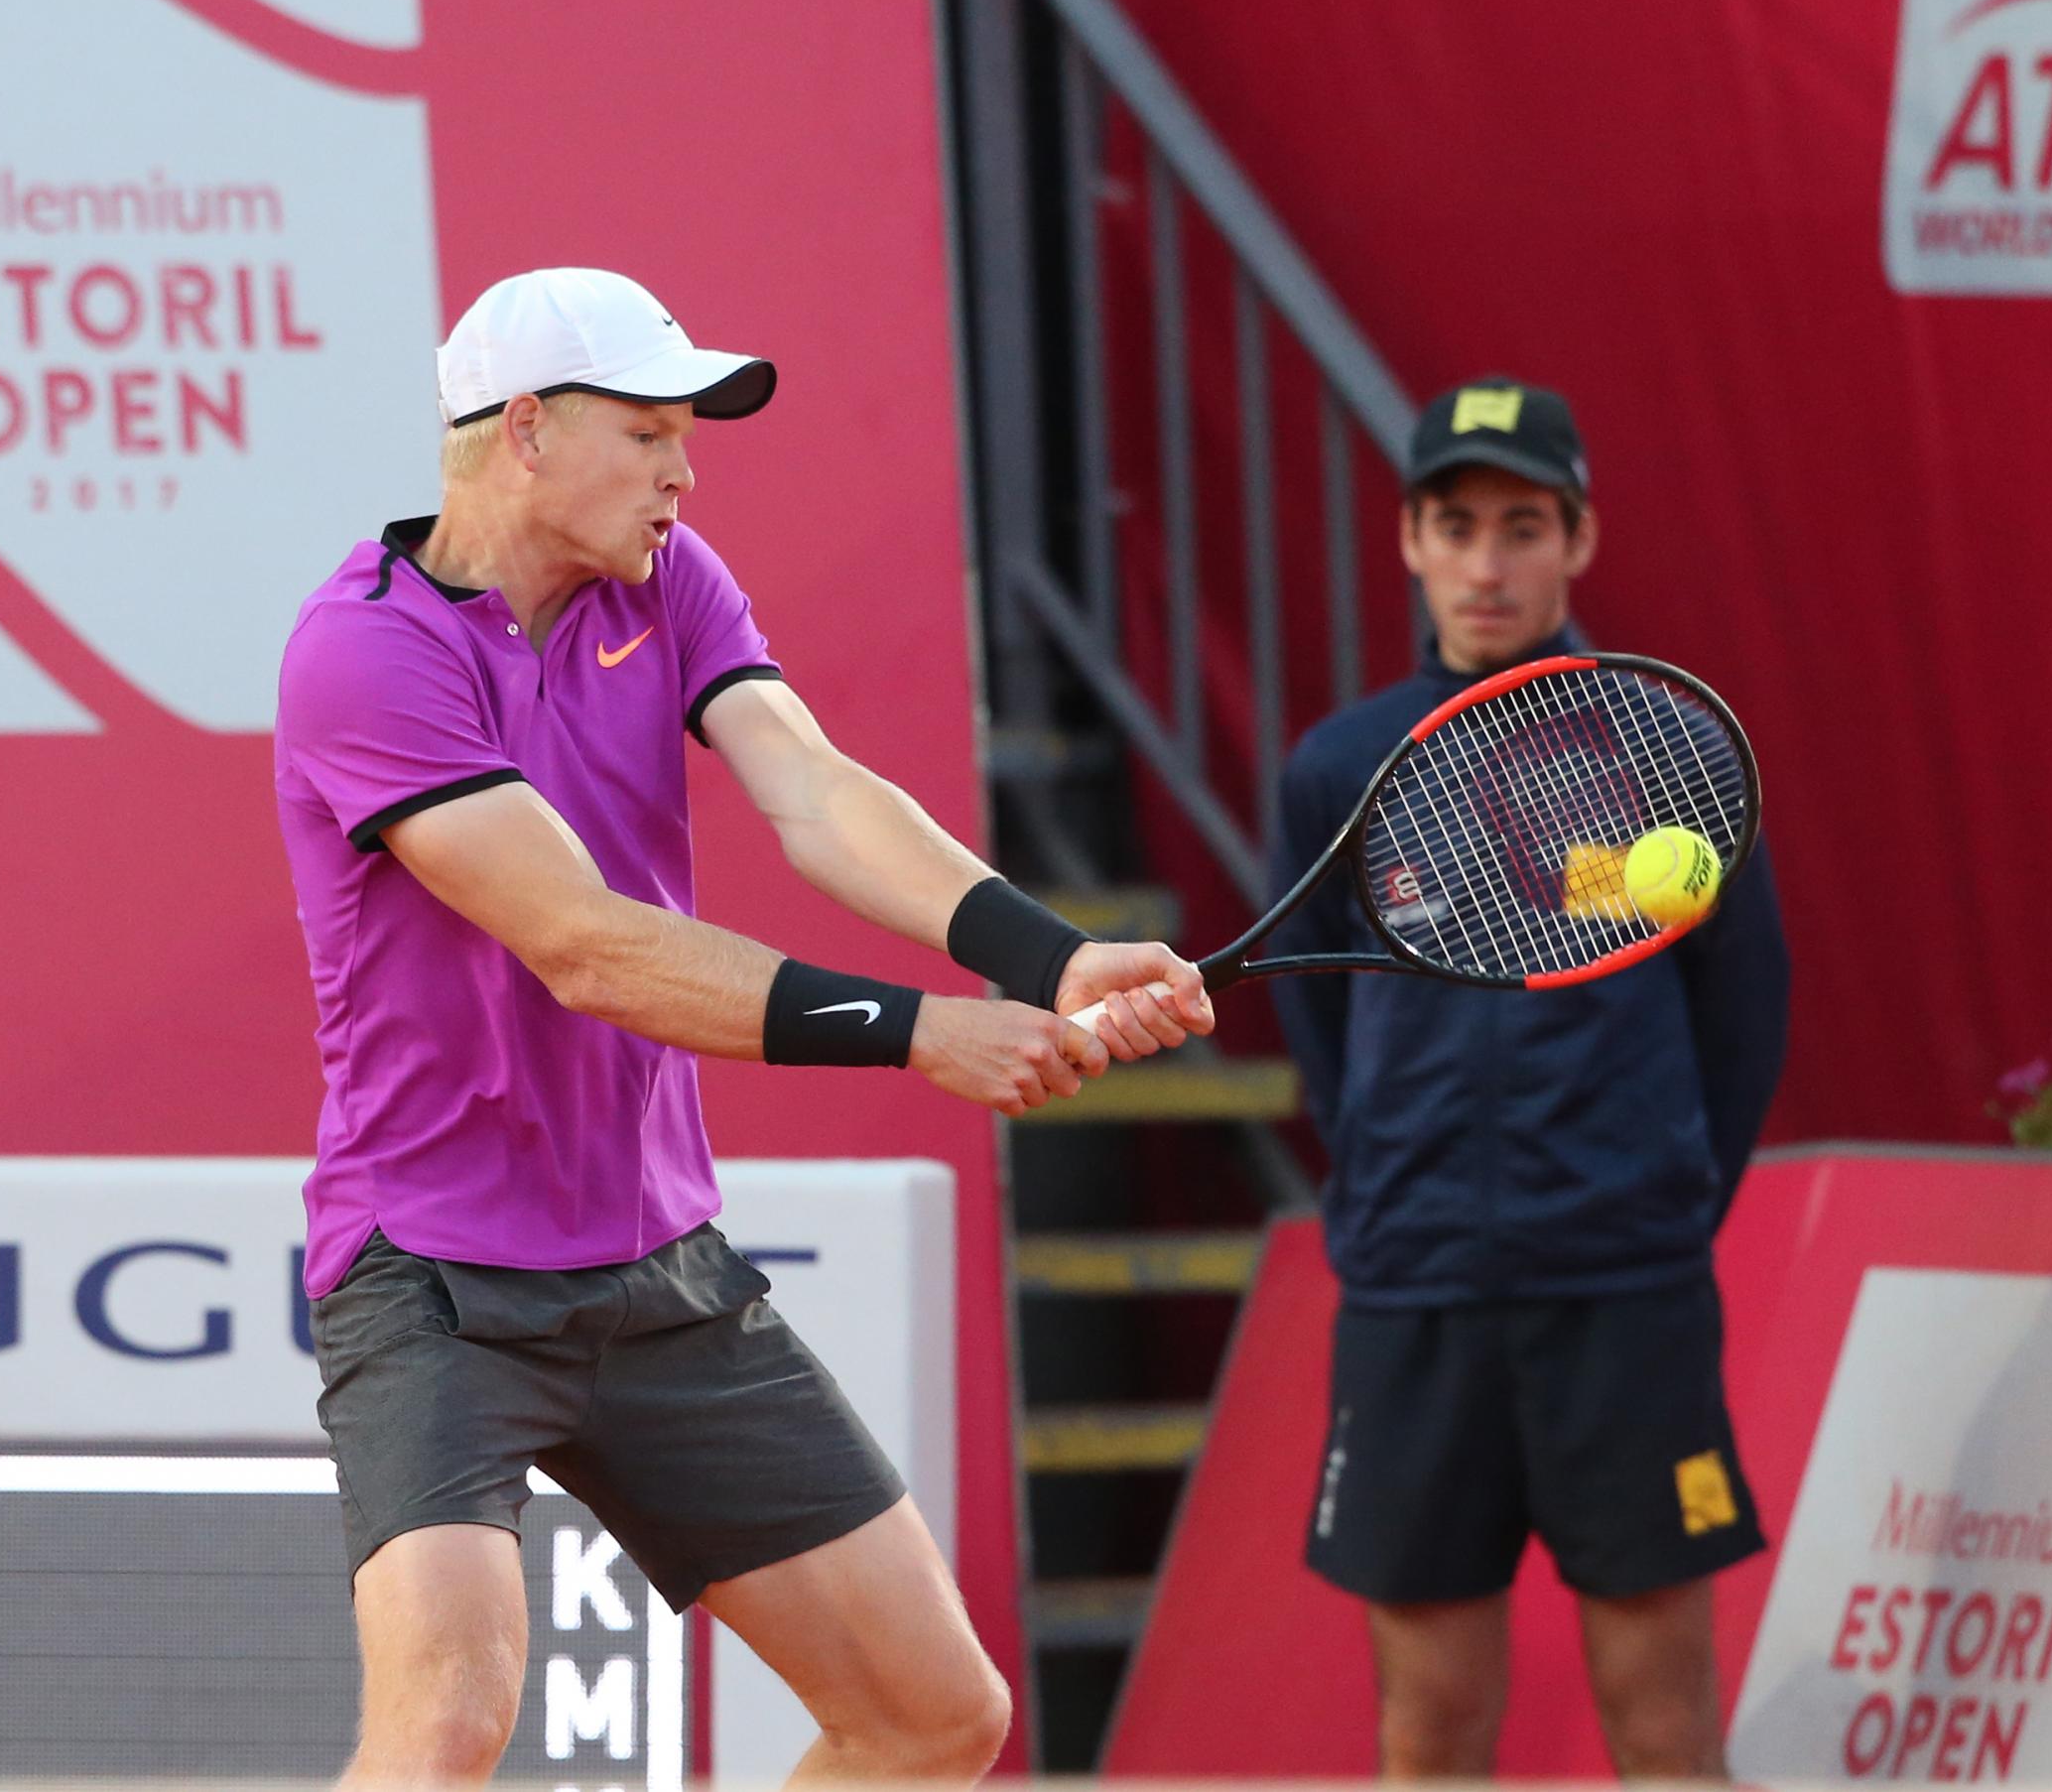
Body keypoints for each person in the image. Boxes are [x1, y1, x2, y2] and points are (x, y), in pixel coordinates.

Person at [272, 266, 1218, 1787]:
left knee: (933, 1716)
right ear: (524, 432)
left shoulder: (670, 577)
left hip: (660, 1269)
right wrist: (921, 1033)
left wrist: (1049, 961)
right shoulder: (365, 652)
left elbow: (819, 793)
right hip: (436, 1277)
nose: (684, 470)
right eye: (648, 432)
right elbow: (586, 947)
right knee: (447, 1725)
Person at [1267, 378, 1790, 1779]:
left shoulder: (1674, 751)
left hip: (1623, 1291)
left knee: (1667, 1730)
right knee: (1431, 1733)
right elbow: (1322, 1030)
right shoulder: (1338, 771)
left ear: (1579, 540)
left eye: (1521, 526)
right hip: (1417, 1292)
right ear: (1411, 543)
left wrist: (1659, 1197)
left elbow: (1744, 1016)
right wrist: (1387, 1180)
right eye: (1458, 525)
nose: (1489, 562)